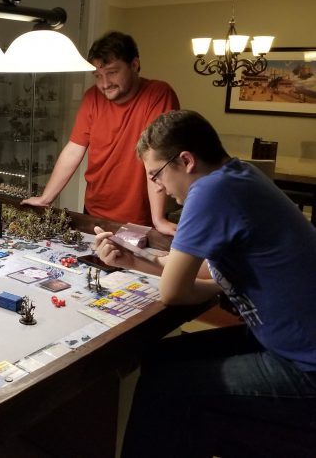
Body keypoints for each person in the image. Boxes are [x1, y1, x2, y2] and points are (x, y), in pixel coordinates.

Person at [94, 110, 316, 458]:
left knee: (165, 386)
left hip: (305, 366)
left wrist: (213, 287)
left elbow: (174, 292)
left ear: (186, 160)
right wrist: (133, 260)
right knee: (159, 356)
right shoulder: (238, 174)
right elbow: (207, 273)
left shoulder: (211, 191)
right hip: (286, 342)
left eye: (156, 175)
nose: (158, 187)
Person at [22, 31, 179, 235]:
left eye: (112, 72)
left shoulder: (158, 94)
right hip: (93, 212)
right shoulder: (91, 97)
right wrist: (45, 198)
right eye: (97, 75)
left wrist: (158, 219)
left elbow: (157, 157)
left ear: (134, 65)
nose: (104, 84)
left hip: (138, 217)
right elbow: (74, 150)